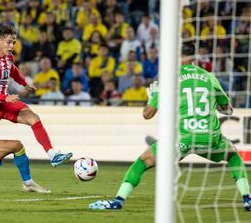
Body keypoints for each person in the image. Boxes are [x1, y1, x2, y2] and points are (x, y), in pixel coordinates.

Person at [89, 44, 251, 211]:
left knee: (143, 161)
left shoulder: (170, 79)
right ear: (194, 57)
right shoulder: (209, 77)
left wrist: (152, 97)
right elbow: (228, 110)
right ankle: (247, 199)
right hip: (209, 138)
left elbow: (147, 114)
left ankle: (118, 201)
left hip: (181, 140)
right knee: (233, 155)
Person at [0, 24, 72, 167]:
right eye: (8, 42)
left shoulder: (8, 58)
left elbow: (12, 70)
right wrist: (5, 97)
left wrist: (24, 83)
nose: (12, 46)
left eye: (14, 42)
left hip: (5, 101)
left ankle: (53, 155)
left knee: (34, 118)